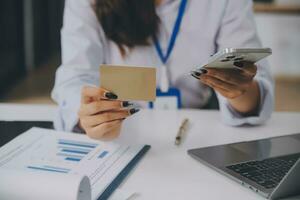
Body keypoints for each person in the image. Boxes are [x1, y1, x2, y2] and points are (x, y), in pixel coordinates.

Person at [52, 0, 274, 140]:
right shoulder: (85, 3)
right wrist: (89, 117)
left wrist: (241, 92)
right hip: (120, 134)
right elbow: (75, 77)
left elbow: (254, 86)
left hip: (197, 132)